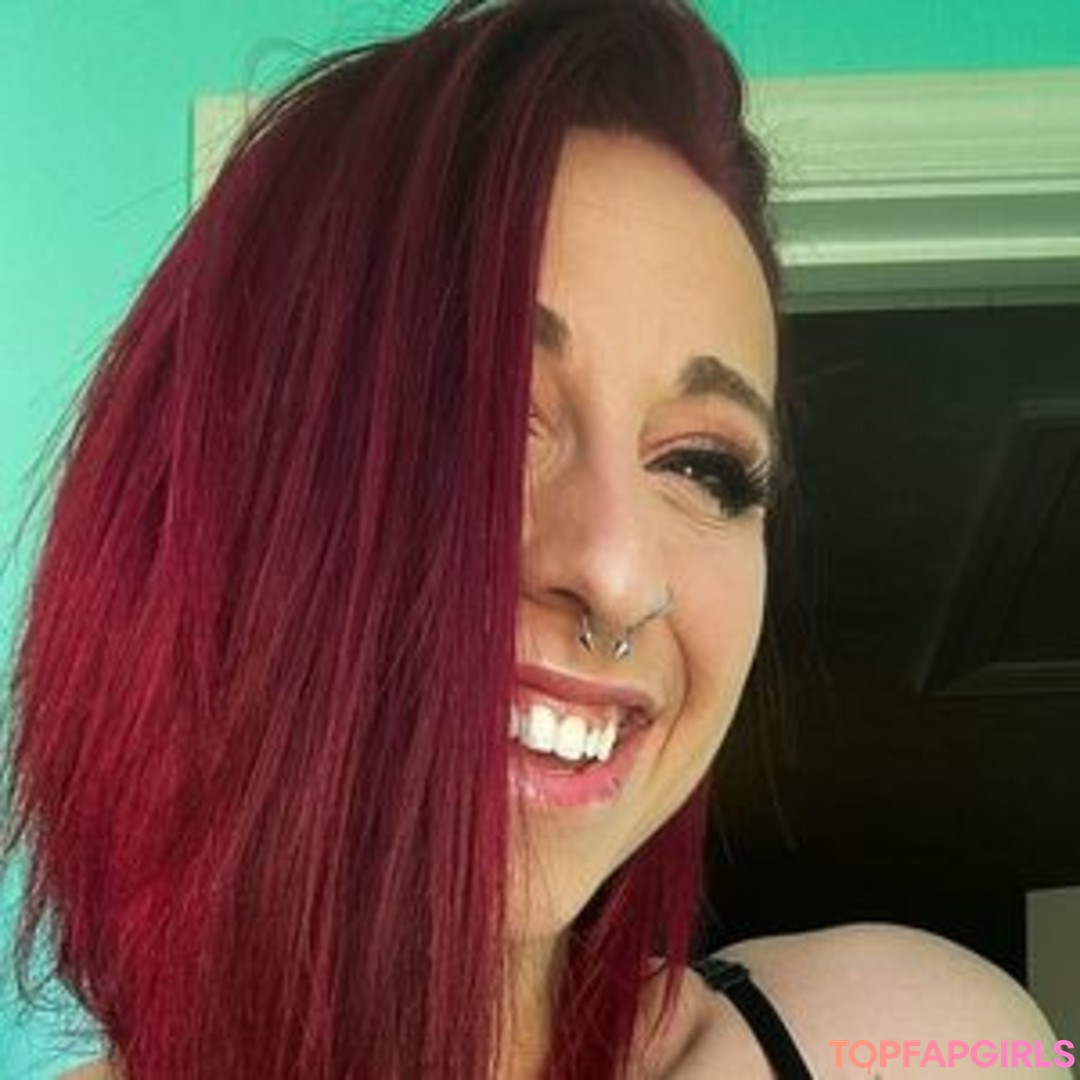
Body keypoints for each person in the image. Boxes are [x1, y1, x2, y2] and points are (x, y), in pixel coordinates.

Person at [1, 1, 1067, 1077]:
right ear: (219, 488)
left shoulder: (938, 1051)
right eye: (485, 407)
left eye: (703, 465)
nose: (617, 573)